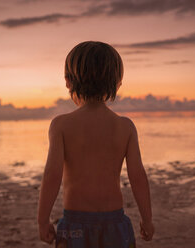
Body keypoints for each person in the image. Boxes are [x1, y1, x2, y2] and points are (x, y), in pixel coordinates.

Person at [37, 41, 154, 247]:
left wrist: (42, 220)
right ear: (117, 82)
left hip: (75, 224)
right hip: (115, 224)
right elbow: (138, 177)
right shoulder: (125, 126)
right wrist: (147, 218)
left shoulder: (62, 125)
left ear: (67, 81)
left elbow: (52, 175)